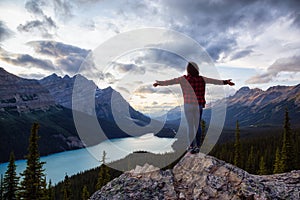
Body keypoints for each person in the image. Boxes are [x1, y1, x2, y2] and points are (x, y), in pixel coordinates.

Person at [153, 62, 235, 154]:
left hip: (188, 105)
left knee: (190, 126)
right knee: (197, 126)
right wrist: (226, 82)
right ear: (197, 70)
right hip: (198, 105)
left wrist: (159, 83)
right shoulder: (202, 79)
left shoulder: (183, 79)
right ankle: (197, 147)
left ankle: (191, 146)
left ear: (188, 70)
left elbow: (170, 82)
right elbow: (214, 81)